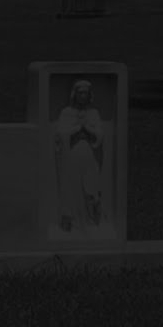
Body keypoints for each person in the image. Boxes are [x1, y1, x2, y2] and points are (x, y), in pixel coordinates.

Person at [54, 80, 104, 233]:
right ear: (74, 94)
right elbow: (60, 135)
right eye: (80, 93)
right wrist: (76, 130)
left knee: (90, 188)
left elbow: (100, 135)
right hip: (72, 155)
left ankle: (91, 221)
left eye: (85, 93)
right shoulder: (66, 112)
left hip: (88, 155)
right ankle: (74, 222)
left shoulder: (93, 113)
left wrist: (87, 129)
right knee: (73, 188)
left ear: (89, 95)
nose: (83, 96)